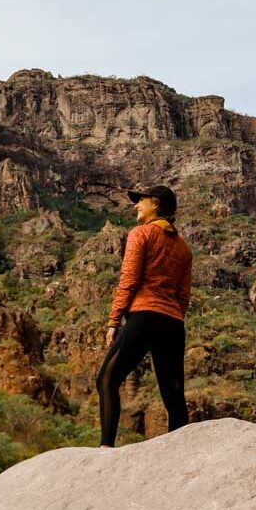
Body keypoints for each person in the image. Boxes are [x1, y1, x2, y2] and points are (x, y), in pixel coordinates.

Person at [95, 184, 193, 447]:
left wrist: (114, 321)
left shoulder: (141, 234)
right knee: (173, 396)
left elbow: (129, 279)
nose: (136, 205)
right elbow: (183, 295)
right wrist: (173, 317)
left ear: (156, 204)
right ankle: (179, 454)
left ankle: (106, 447)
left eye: (141, 201)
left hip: (144, 316)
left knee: (106, 379)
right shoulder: (184, 248)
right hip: (173, 323)